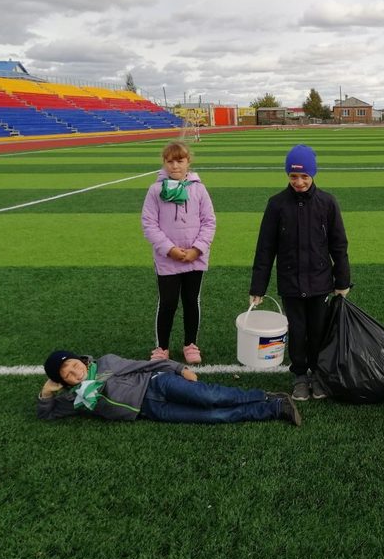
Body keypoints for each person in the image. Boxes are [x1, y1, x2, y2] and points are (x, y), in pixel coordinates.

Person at [250, 144, 351, 401]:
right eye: (294, 176)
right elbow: (265, 248)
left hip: (320, 282)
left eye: (304, 176)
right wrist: (258, 287)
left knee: (318, 330)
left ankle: (317, 374)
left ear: (313, 174)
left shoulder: (327, 203)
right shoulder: (276, 204)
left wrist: (343, 280)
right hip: (290, 282)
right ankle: (300, 376)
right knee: (296, 331)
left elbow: (338, 245)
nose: (299, 181)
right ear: (287, 175)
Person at [37, 350, 301, 425]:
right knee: (212, 416)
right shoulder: (75, 399)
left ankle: (263, 395)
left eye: (73, 364)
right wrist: (46, 393)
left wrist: (178, 369)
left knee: (211, 397)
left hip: (158, 385)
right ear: (64, 382)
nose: (75, 371)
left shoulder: (106, 363)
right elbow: (48, 414)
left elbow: (143, 364)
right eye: (67, 374)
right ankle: (276, 408)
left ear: (79, 359)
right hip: (150, 410)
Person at [141, 141, 216, 364]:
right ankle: (161, 347)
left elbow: (209, 222)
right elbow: (149, 224)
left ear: (188, 162)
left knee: (191, 301)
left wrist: (197, 249)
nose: (175, 166)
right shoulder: (155, 190)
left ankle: (190, 344)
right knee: (168, 302)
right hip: (167, 259)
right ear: (164, 163)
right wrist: (169, 249)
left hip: (195, 258)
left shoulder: (199, 189)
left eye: (180, 161)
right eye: (170, 161)